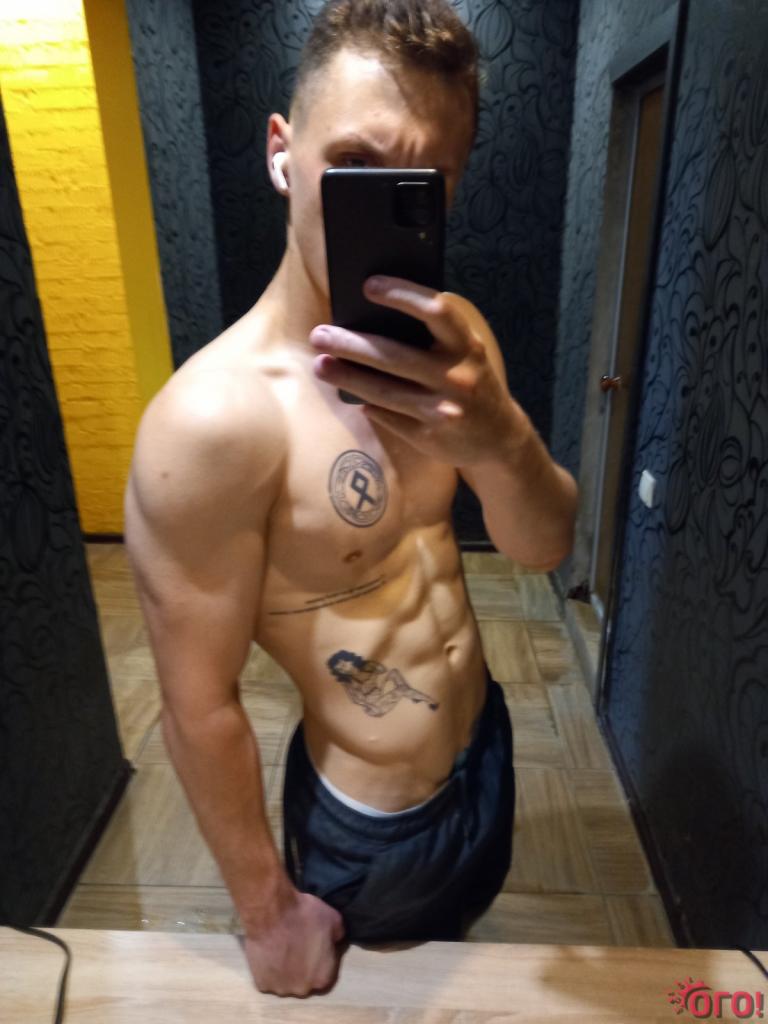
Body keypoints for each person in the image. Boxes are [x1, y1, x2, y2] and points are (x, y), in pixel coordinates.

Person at [124, 0, 578, 1000]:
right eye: (353, 163)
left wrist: (502, 438)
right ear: (282, 154)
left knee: (466, 962)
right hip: (375, 823)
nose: (379, 201)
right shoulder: (212, 423)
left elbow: (544, 547)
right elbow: (198, 706)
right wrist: (267, 914)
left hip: (487, 745)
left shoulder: (460, 348)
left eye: (423, 180)